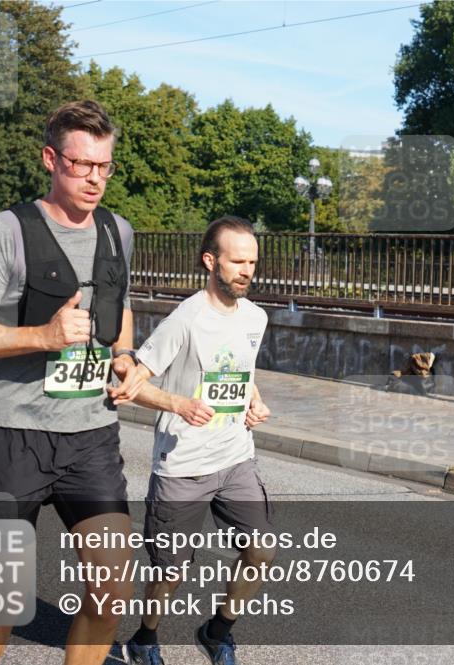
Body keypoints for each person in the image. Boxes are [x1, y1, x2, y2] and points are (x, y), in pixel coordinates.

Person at [0, 100, 145, 665]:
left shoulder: (118, 231)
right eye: (82, 166)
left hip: (91, 437)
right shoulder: (7, 230)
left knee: (111, 586)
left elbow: (120, 305)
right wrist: (44, 336)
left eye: (105, 167)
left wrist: (124, 354)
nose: (95, 179)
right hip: (12, 434)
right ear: (51, 159)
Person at [109, 215, 274, 665]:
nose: (247, 270)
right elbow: (132, 386)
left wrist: (254, 401)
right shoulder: (185, 319)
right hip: (182, 466)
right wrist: (178, 405)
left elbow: (241, 371)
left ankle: (217, 630)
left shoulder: (256, 317)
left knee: (261, 551)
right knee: (171, 573)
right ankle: (144, 638)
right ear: (210, 261)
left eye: (252, 262)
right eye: (237, 261)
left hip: (236, 458)